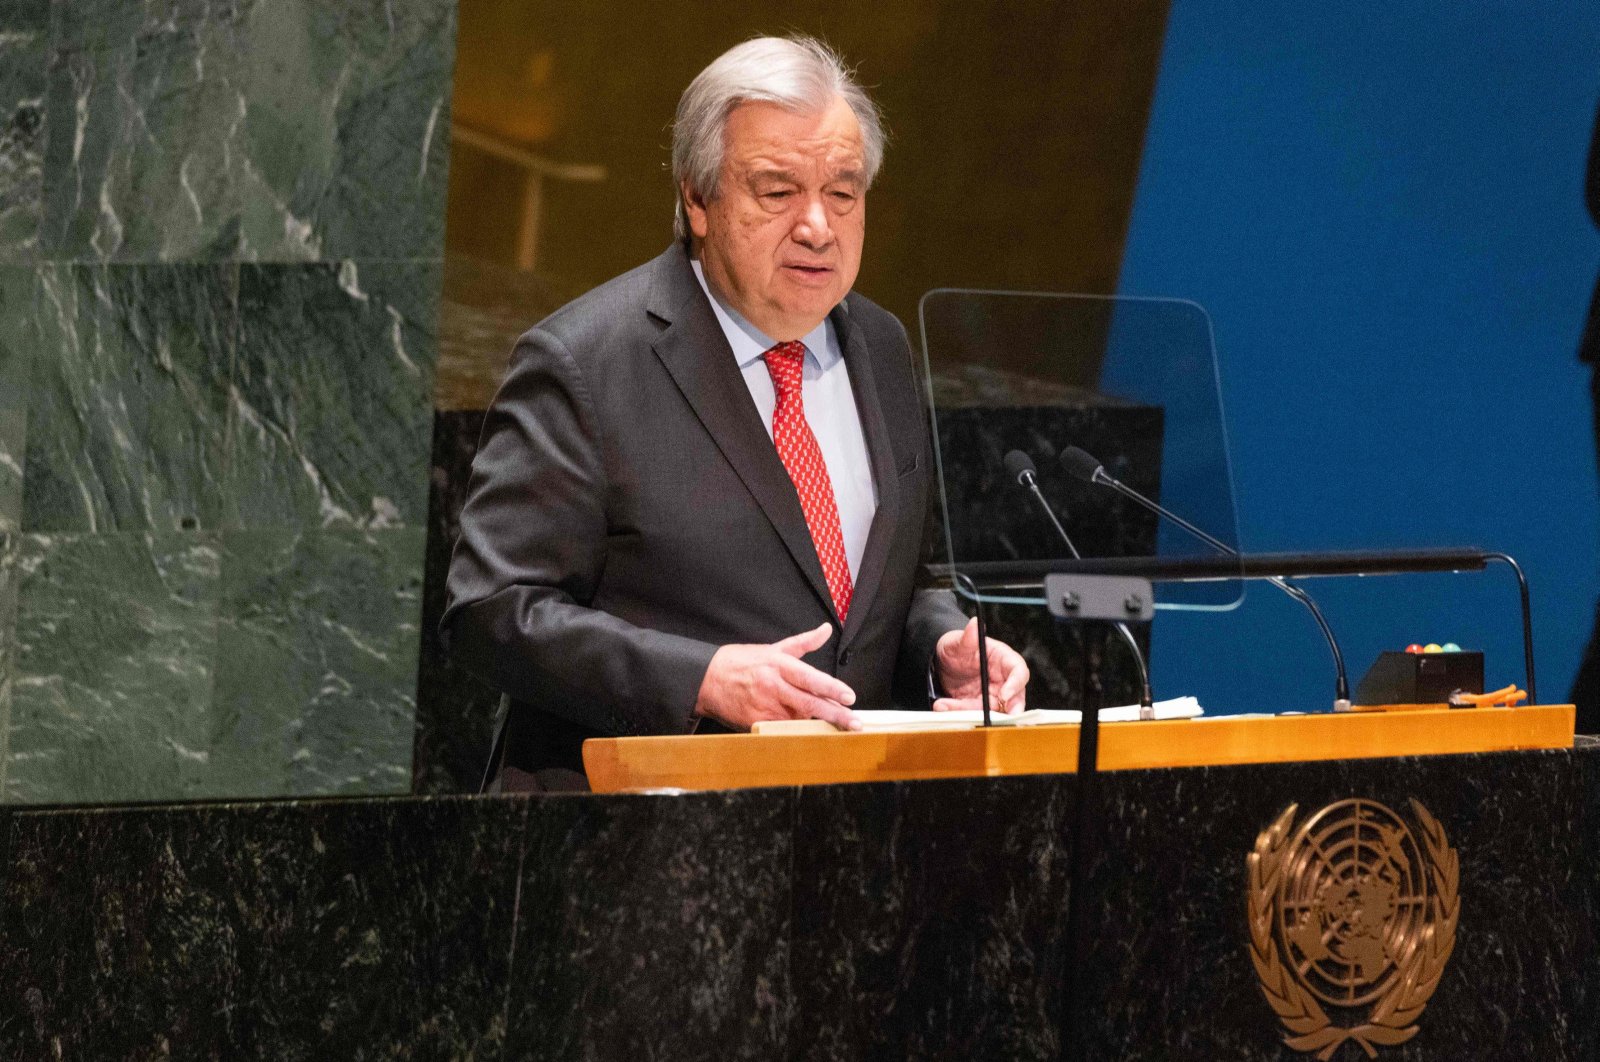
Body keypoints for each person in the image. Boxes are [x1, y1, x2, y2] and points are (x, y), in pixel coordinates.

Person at [442, 35, 1028, 791]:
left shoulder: (880, 347)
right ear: (699, 198)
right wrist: (701, 678)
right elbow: (490, 611)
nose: (818, 225)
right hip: (629, 839)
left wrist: (942, 644)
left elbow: (900, 582)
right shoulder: (587, 362)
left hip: (841, 837)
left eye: (843, 192)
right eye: (778, 192)